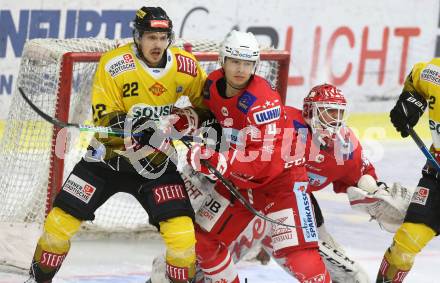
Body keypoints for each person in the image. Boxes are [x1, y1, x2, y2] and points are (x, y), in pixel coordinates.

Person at [148, 83, 414, 283]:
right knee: (198, 253)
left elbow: (362, 175)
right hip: (247, 194)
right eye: (327, 113)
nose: (333, 122)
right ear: (309, 111)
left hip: (291, 203)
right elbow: (227, 131)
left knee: (353, 277)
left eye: (337, 115)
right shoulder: (282, 119)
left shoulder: (346, 148)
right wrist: (188, 128)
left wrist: (375, 194)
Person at [26, 6, 207, 283]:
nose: (157, 44)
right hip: (106, 159)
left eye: (162, 38)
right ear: (137, 37)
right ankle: (36, 280)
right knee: (57, 226)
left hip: (157, 164)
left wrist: (187, 120)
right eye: (150, 37)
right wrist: (142, 129)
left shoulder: (186, 66)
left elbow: (207, 108)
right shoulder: (114, 64)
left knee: (183, 239)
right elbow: (105, 118)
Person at [185, 30, 331, 283]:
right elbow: (214, 116)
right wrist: (187, 120)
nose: (241, 69)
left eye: (248, 63)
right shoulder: (212, 85)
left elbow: (264, 161)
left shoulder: (263, 100)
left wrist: (221, 160)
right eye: (235, 62)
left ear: (255, 65)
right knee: (202, 242)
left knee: (300, 257)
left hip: (282, 181)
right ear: (223, 60)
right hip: (240, 180)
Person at [375, 58, 440, 282]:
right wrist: (411, 103)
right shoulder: (435, 72)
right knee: (404, 245)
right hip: (436, 176)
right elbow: (416, 79)